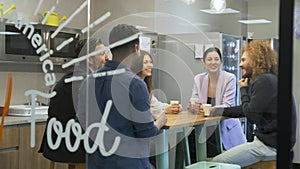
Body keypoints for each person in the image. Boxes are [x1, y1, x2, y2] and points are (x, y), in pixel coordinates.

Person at [77, 24, 167, 169]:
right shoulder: (135, 84)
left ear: (111, 48)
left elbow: (81, 119)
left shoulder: (88, 82)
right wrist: (160, 121)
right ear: (136, 49)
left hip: (96, 162)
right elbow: (146, 133)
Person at [210, 40, 297, 167]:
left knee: (217, 163)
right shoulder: (270, 79)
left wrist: (243, 90)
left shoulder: (263, 81)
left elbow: (251, 116)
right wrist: (217, 111)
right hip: (279, 143)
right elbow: (249, 108)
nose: (240, 64)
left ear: (256, 60)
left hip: (269, 146)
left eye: (244, 60)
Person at [38, 38, 109, 165]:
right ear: (90, 59)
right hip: (73, 147)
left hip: (59, 144)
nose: (107, 57)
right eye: (102, 53)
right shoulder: (83, 81)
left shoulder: (74, 77)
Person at [188, 47, 246, 160]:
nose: (213, 62)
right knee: (189, 143)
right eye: (209, 59)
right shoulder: (198, 79)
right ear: (203, 63)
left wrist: (209, 110)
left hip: (224, 126)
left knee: (217, 157)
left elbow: (227, 105)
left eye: (216, 59)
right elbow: (193, 100)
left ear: (221, 62)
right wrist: (193, 106)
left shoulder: (229, 78)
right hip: (204, 127)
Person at [131, 50, 182, 120]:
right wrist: (165, 110)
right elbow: (142, 112)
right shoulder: (135, 85)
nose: (150, 65)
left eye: (151, 62)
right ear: (137, 65)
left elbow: (155, 105)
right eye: (145, 62)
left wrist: (173, 107)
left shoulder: (145, 85)